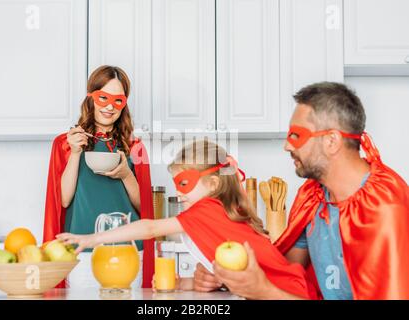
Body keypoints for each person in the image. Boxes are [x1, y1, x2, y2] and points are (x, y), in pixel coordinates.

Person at [198, 82, 409, 300]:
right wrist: (229, 278)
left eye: (296, 136)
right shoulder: (312, 197)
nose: (287, 146)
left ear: (332, 141)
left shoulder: (385, 205)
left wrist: (265, 292)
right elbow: (286, 277)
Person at [56, 140, 318, 299]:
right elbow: (232, 277)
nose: (179, 194)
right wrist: (187, 283)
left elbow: (149, 227)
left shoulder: (207, 209)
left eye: (185, 183)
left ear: (214, 183)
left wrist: (90, 239)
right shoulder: (221, 212)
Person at [43, 65, 155, 288]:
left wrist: (125, 175)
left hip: (129, 250)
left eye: (118, 101)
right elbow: (63, 200)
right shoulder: (65, 143)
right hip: (81, 252)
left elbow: (145, 207)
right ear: (90, 98)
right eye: (103, 97)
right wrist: (75, 153)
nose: (110, 107)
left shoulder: (135, 146)